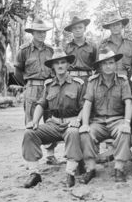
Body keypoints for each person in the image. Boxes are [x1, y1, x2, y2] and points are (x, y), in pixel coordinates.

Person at [22, 48, 85, 188]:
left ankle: (70, 173)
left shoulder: (78, 83)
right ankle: (34, 174)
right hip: (54, 123)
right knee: (29, 133)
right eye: (57, 63)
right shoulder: (49, 85)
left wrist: (78, 120)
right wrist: (35, 121)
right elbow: (41, 104)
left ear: (68, 65)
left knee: (73, 132)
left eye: (63, 62)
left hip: (71, 123)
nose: (60, 66)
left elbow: (84, 106)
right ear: (53, 66)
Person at [79, 48, 132, 183]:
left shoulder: (123, 81)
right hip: (98, 122)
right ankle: (90, 169)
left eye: (111, 63)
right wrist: (85, 124)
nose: (108, 66)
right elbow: (87, 104)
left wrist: (126, 122)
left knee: (125, 132)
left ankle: (119, 169)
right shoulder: (93, 81)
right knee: (86, 133)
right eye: (104, 63)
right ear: (100, 66)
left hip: (117, 120)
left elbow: (129, 103)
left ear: (115, 64)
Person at [14, 18, 58, 165]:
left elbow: (55, 69)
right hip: (31, 88)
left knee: (50, 120)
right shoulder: (24, 50)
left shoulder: (50, 50)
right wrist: (28, 85)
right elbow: (17, 72)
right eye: (38, 32)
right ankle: (33, 160)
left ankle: (50, 154)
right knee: (31, 122)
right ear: (32, 33)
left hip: (48, 87)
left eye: (44, 32)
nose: (41, 34)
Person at [100, 12, 132, 80]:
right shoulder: (103, 45)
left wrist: (127, 77)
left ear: (122, 26)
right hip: (108, 80)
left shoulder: (130, 44)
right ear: (109, 27)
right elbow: (99, 66)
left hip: (125, 78)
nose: (115, 27)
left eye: (117, 24)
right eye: (112, 25)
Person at [64, 16, 97, 83]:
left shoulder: (92, 46)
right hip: (70, 79)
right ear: (71, 30)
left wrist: (94, 79)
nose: (77, 30)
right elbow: (61, 65)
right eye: (74, 28)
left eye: (80, 27)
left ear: (84, 29)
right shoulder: (66, 47)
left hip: (88, 79)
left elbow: (98, 65)